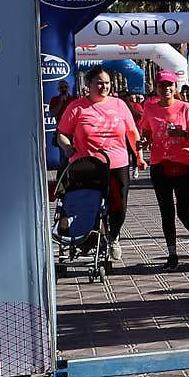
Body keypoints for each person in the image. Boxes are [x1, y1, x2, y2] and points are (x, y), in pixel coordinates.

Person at [56, 68, 142, 248]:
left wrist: (139, 156)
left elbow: (132, 132)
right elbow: (61, 134)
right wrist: (67, 147)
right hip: (87, 165)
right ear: (89, 85)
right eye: (99, 83)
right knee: (89, 205)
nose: (104, 87)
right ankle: (89, 237)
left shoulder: (119, 105)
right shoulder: (77, 107)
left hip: (117, 164)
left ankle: (113, 236)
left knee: (119, 208)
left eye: (107, 83)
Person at [140, 70, 189, 269]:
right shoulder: (150, 109)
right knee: (166, 211)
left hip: (184, 164)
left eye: (169, 85)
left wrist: (183, 134)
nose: (166, 88)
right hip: (160, 165)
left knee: (183, 212)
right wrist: (144, 142)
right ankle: (172, 253)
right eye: (162, 85)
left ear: (174, 87)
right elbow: (146, 133)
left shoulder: (185, 108)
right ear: (156, 88)